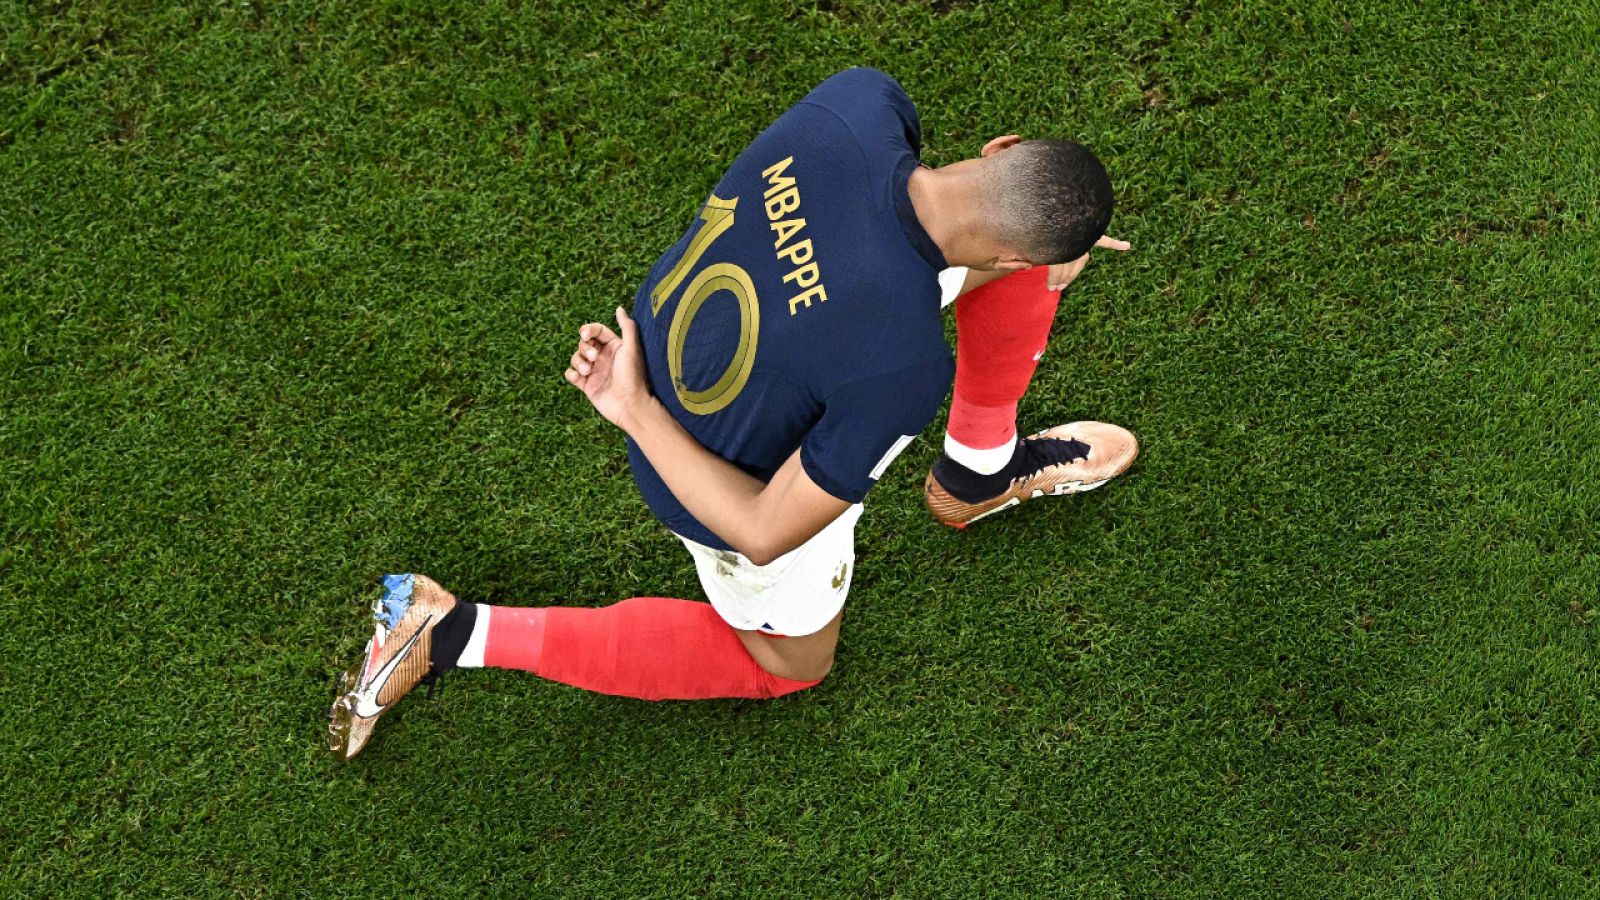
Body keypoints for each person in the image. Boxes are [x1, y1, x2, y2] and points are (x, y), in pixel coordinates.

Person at [328, 67, 1136, 759]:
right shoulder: (902, 365)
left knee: (1040, 252)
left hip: (694, 349)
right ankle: (445, 630)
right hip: (703, 472)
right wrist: (633, 409)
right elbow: (760, 528)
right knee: (792, 664)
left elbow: (932, 244)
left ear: (1000, 149)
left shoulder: (863, 101)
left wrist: (1045, 254)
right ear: (1006, 255)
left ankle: (978, 472)